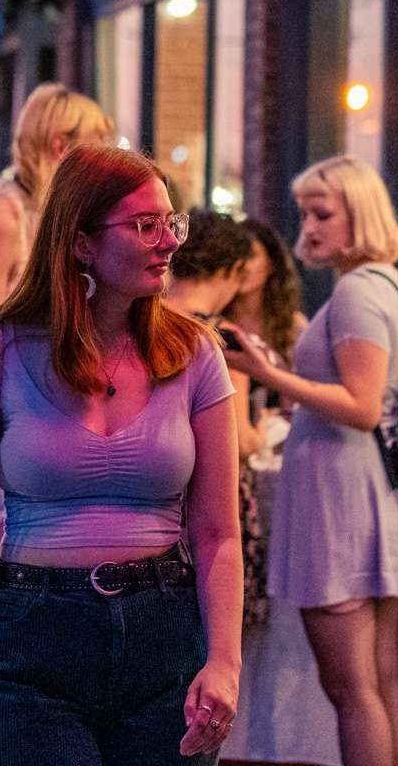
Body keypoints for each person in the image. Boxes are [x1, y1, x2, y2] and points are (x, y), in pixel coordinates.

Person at [0, 144, 243, 765]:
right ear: (80, 243)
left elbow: (217, 531)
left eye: (170, 223)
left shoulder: (194, 353)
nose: (168, 242)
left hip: (165, 633)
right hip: (33, 637)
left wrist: (224, 663)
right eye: (145, 225)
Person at [222, 156, 398, 766]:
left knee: (352, 686)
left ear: (358, 214)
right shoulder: (382, 283)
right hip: (360, 486)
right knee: (379, 677)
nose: (307, 227)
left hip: (341, 495)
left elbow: (362, 404)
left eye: (322, 213)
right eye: (305, 212)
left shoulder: (360, 291)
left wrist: (267, 373)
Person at [166, 209, 273, 631]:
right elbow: (240, 439)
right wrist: (263, 429)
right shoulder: (218, 336)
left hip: (159, 510)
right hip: (214, 505)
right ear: (230, 271)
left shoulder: (146, 320)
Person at [0, 83, 114, 331]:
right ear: (61, 147)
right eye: (98, 142)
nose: (106, 154)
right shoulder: (0, 221)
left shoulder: (60, 215)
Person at [229, 217, 306, 364]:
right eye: (236, 255)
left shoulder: (292, 325)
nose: (242, 264)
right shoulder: (215, 321)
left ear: (271, 264)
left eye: (251, 255)